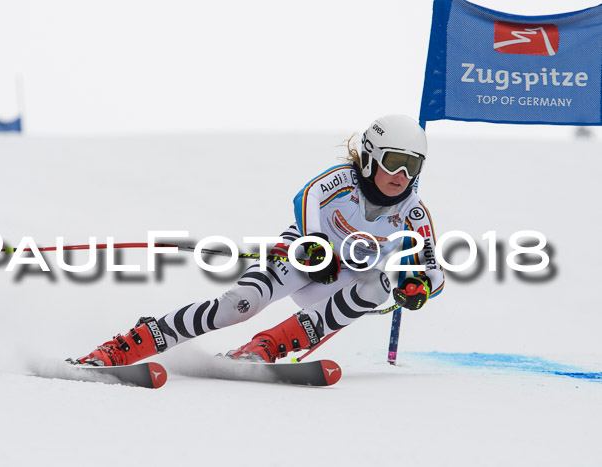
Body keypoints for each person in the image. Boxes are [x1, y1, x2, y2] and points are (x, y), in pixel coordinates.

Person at [74, 114, 445, 366]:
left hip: (339, 281)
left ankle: (264, 346)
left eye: (411, 166)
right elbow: (307, 196)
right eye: (394, 161)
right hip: (302, 258)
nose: (401, 174)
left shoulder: (412, 213)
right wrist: (316, 244)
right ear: (369, 158)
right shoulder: (344, 180)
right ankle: (126, 346)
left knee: (378, 285)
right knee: (240, 304)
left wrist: (416, 286)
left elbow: (434, 275)